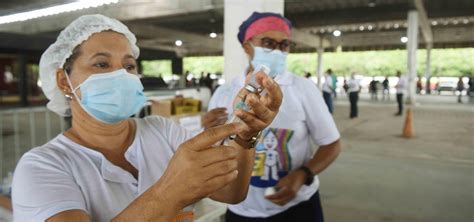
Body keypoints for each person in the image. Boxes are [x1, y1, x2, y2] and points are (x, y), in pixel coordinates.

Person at [11, 14, 283, 222]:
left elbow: (230, 193)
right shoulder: (42, 167)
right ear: (64, 81)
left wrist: (245, 133)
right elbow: (174, 192)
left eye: (129, 66)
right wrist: (170, 192)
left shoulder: (161, 130)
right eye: (102, 64)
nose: (122, 75)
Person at [202, 12, 341, 222]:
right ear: (247, 46)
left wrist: (303, 174)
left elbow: (331, 144)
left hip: (297, 207)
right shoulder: (224, 93)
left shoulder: (302, 89)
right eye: (268, 43)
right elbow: (213, 149)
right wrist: (207, 131)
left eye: (284, 45)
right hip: (242, 208)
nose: (277, 50)